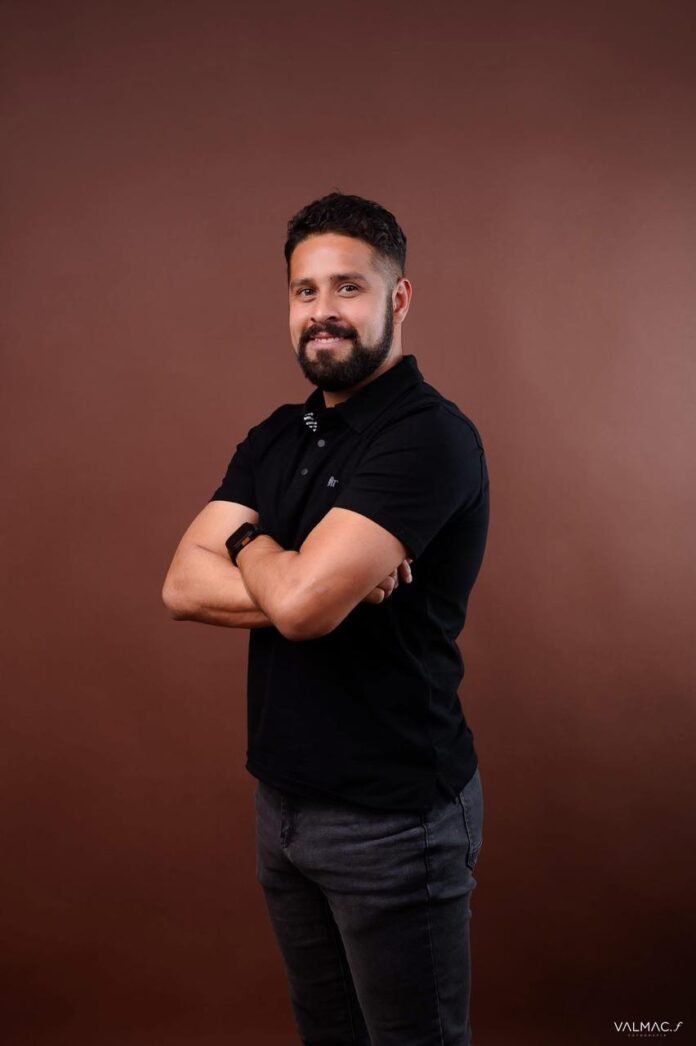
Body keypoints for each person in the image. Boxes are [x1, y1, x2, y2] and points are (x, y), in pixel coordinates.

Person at [162, 192, 490, 1045]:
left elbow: (305, 610)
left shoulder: (428, 437)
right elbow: (180, 586)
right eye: (305, 291)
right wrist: (299, 576)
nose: (323, 312)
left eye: (348, 287)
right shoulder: (278, 434)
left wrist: (246, 541)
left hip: (394, 819)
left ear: (398, 298)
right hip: (284, 806)